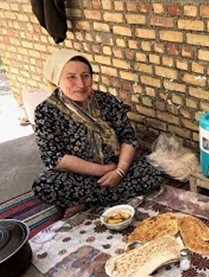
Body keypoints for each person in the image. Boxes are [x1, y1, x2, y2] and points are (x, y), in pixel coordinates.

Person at [32, 49, 164, 217]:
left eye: (86, 76)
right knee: (44, 185)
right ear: (56, 79)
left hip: (118, 168)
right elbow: (53, 157)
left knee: (151, 172)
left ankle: (86, 201)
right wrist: (101, 170)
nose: (81, 84)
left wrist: (120, 171)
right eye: (71, 77)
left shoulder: (106, 101)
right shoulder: (46, 112)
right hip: (79, 176)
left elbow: (128, 137)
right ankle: (105, 197)